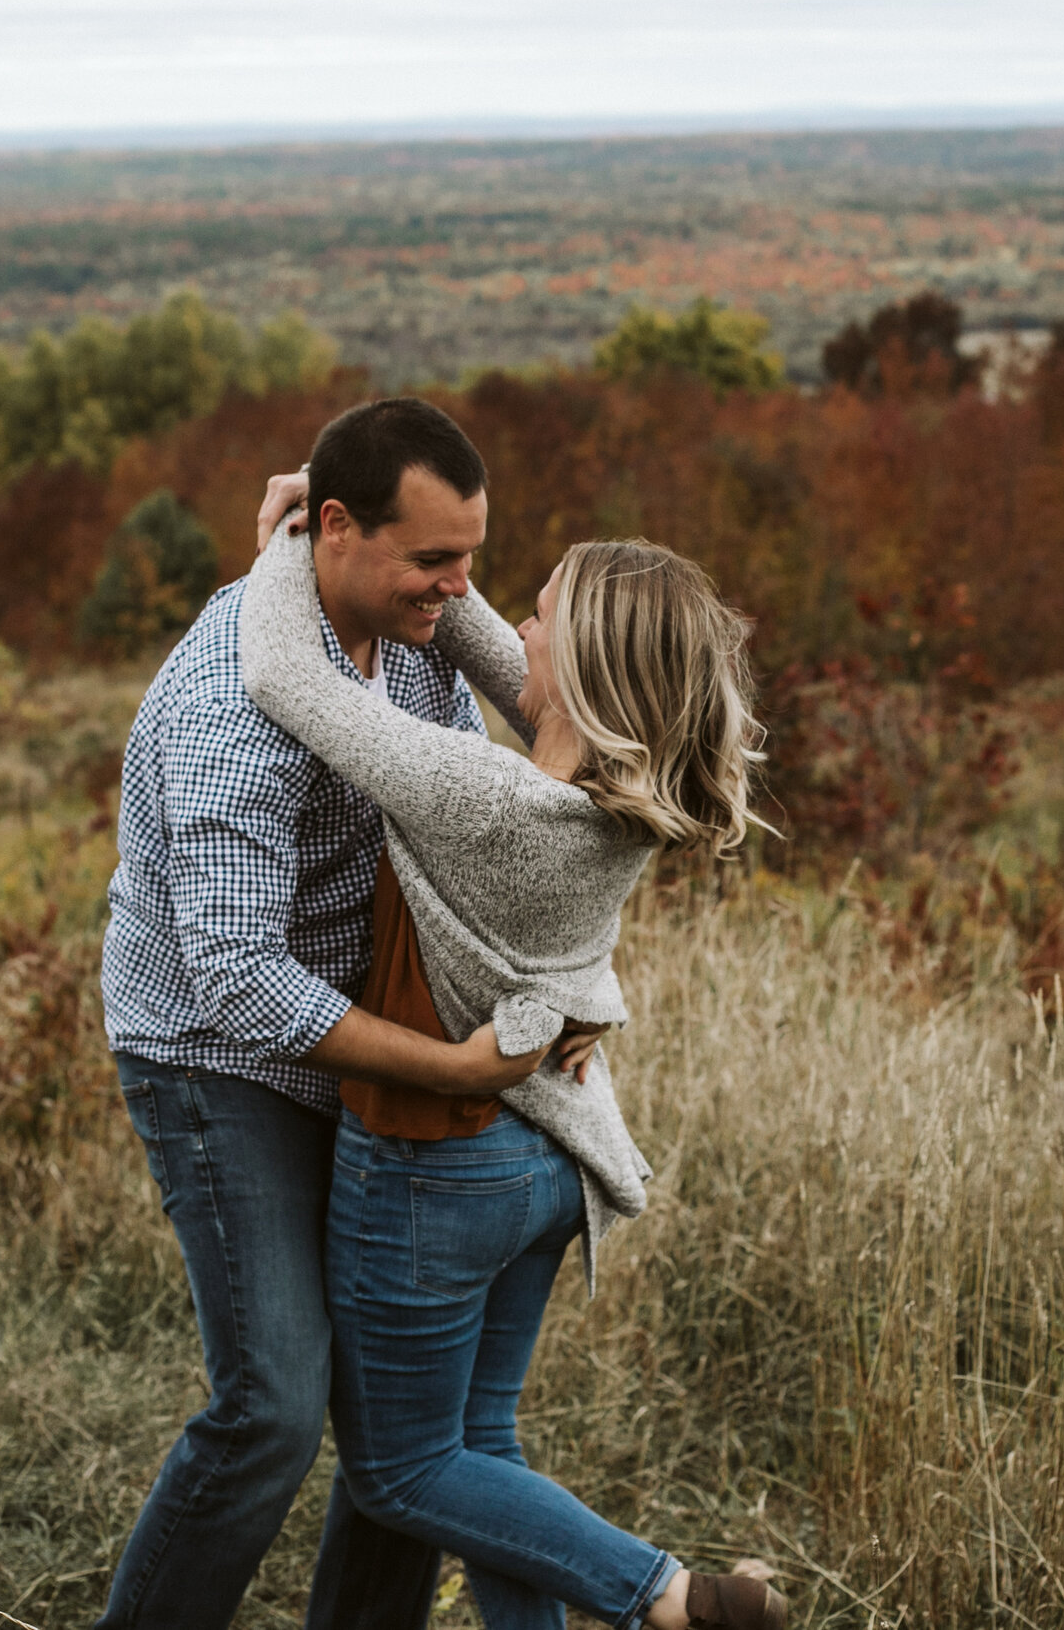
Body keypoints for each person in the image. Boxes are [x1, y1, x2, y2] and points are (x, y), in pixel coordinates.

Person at [237, 470, 789, 1630]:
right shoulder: (620, 800)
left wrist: (293, 533)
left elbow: (280, 674)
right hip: (547, 1154)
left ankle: (668, 1595)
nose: (509, 622)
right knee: (480, 1449)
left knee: (403, 1469)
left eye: (538, 610)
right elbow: (497, 650)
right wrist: (362, 509)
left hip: (440, 1168)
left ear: (582, 674)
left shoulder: (482, 795)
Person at [95, 399, 599, 1630]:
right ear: (335, 528)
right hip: (218, 1055)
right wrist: (449, 1065)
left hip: (373, 1023)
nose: (458, 587)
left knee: (396, 1413)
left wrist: (570, 985)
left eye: (471, 557)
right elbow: (238, 980)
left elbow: (559, 714)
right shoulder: (234, 707)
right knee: (271, 1403)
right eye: (432, 559)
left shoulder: (409, 616)